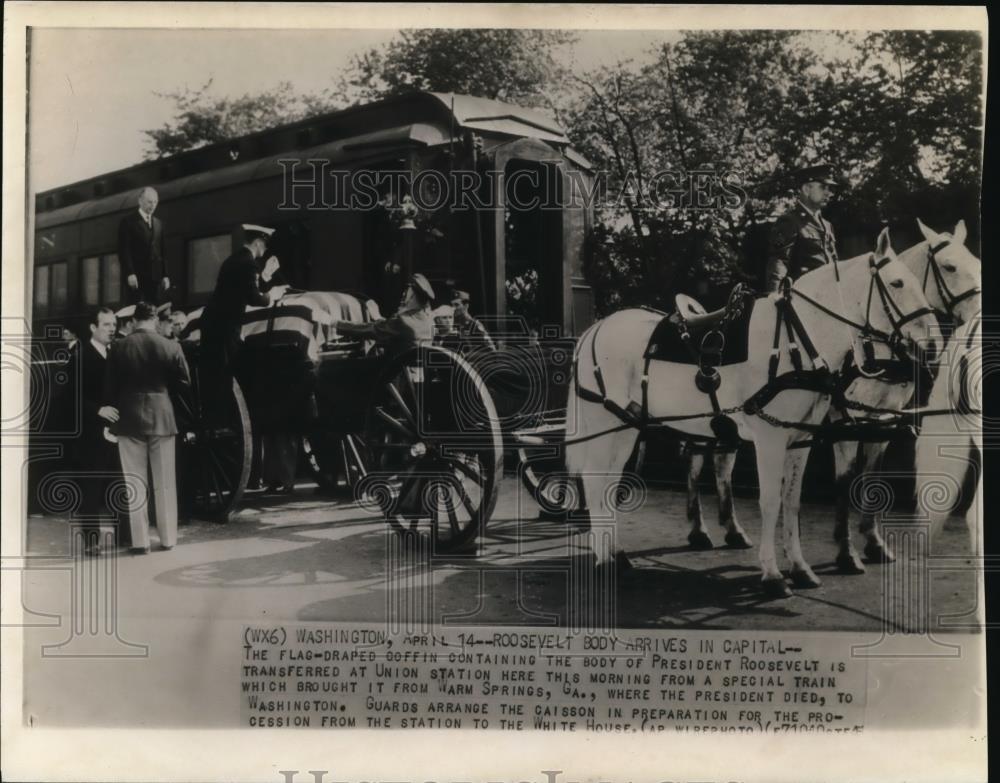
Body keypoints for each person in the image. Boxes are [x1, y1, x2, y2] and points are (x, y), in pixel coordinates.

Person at [104, 302, 191, 553]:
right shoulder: (171, 346)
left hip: (129, 419)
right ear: (155, 320)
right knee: (164, 483)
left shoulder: (118, 348)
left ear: (133, 321)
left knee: (134, 481)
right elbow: (184, 384)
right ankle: (168, 539)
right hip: (163, 416)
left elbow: (109, 388)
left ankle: (140, 542)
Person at [65, 308, 127, 555]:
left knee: (119, 484)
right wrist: (98, 410)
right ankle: (92, 541)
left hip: (118, 430)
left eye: (114, 324)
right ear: (93, 327)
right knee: (90, 487)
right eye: (106, 324)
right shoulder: (80, 356)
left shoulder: (116, 354)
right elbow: (70, 397)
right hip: (91, 434)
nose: (112, 328)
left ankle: (124, 537)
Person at [199, 224, 289, 373]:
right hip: (224, 327)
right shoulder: (248, 263)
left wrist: (265, 275)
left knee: (217, 373)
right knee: (225, 374)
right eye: (265, 244)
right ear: (258, 243)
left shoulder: (235, 259)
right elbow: (254, 298)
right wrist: (272, 295)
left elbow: (242, 289)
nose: (266, 249)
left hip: (216, 324)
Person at [764, 161, 839, 293]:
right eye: (823, 187)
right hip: (803, 298)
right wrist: (774, 297)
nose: (829, 193)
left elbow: (835, 264)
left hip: (829, 297)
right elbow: (779, 263)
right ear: (806, 189)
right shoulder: (789, 221)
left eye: (830, 189)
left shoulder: (828, 225)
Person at [331, 273, 436, 351]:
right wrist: (378, 318)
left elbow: (369, 330)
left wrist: (335, 323)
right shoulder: (429, 321)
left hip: (395, 377)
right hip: (418, 377)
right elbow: (394, 329)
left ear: (413, 297)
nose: (402, 297)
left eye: (406, 294)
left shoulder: (402, 321)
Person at [118, 187, 168, 304]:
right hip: (137, 277)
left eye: (155, 202)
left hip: (155, 278)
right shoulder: (128, 222)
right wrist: (130, 273)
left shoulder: (158, 223)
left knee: (154, 310)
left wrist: (165, 275)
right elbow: (124, 250)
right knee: (137, 309)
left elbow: (163, 252)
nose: (153, 205)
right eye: (150, 202)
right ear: (140, 201)